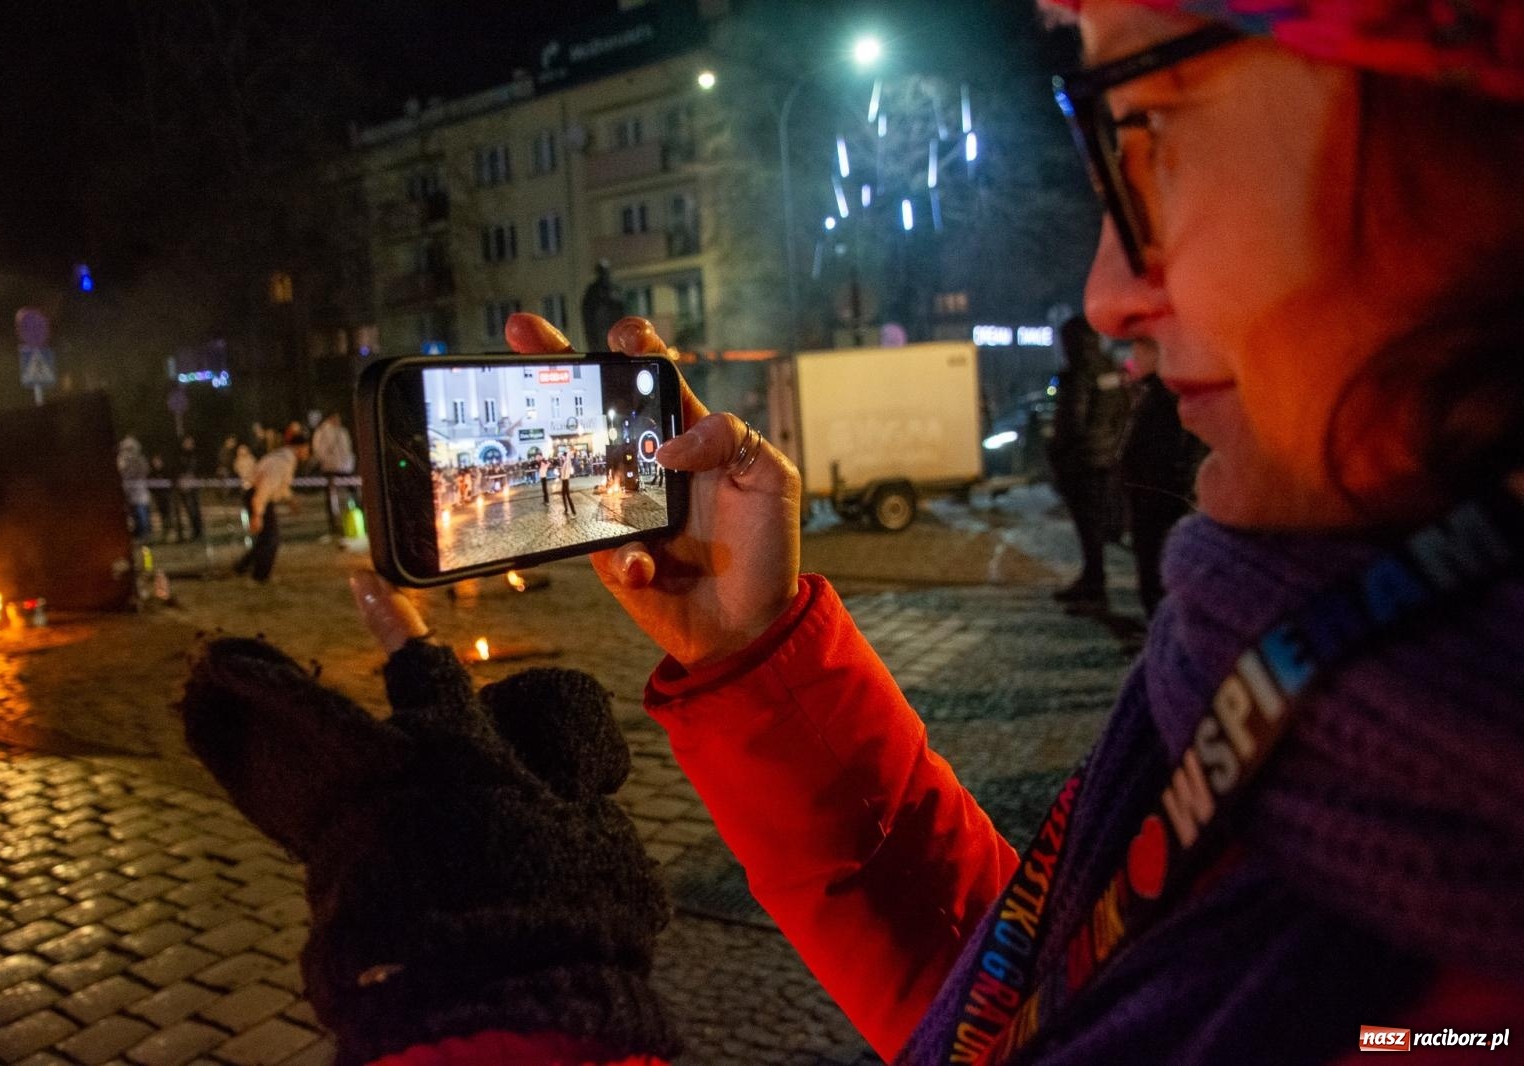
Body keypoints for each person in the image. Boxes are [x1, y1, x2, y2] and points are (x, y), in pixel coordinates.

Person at [180, 2, 1524, 1064]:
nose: (1110, 290)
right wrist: (759, 660)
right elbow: (1023, 995)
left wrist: (501, 1002)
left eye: (1149, 126)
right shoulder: (1295, 682)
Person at [1047, 315, 1129, 611]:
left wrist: (1058, 450)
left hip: (1081, 461)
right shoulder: (1110, 369)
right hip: (1104, 458)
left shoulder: (1079, 373)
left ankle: (1094, 587)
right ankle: (1092, 580)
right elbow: (1122, 411)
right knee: (1095, 526)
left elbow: (1073, 420)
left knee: (1088, 527)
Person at [1116, 341, 1201, 616]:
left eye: (1138, 352)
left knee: (1157, 566)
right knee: (1151, 564)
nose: (1133, 359)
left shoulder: (1168, 393)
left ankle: (1164, 623)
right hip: (1150, 493)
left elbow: (1184, 445)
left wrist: (1179, 485)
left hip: (1158, 495)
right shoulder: (1152, 390)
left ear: (1156, 354)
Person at [233, 426, 309, 584]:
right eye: (306, 448)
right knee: (271, 538)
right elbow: (265, 489)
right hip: (257, 495)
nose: (307, 452)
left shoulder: (284, 459)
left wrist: (290, 500)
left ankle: (241, 567)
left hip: (256, 494)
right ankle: (260, 576)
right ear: (299, 447)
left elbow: (280, 486)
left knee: (265, 537)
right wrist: (257, 515)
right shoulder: (282, 462)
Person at [311, 412, 356, 543]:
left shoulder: (341, 431)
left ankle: (350, 520)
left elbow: (347, 447)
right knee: (335, 496)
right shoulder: (323, 431)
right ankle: (336, 524)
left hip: (341, 467)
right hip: (334, 467)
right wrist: (328, 460)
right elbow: (318, 449)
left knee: (347, 494)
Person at [580, 259, 626, 352]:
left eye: (605, 272)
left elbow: (622, 306)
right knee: (601, 347)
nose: (604, 275)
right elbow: (587, 309)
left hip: (613, 324)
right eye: (601, 272)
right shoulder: (592, 289)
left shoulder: (615, 287)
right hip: (598, 325)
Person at [116, 436, 152, 542]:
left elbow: (144, 471)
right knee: (133, 514)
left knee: (141, 512)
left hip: (139, 490)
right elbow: (120, 471)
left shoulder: (139, 459)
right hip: (128, 491)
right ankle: (137, 533)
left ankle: (144, 533)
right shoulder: (122, 459)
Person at [174, 435, 204, 542]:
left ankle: (198, 531)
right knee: (187, 511)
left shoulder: (196, 456)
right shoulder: (179, 456)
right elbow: (176, 469)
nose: (189, 444)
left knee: (195, 510)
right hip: (183, 487)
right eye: (187, 442)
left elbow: (199, 469)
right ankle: (189, 532)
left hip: (193, 487)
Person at [558, 450, 577, 517]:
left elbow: (569, 454)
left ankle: (574, 513)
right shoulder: (565, 463)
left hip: (566, 481)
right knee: (563, 495)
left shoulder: (568, 462)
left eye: (563, 456)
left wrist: (570, 451)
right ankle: (566, 509)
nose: (562, 457)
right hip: (564, 481)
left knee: (568, 497)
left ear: (565, 456)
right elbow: (563, 472)